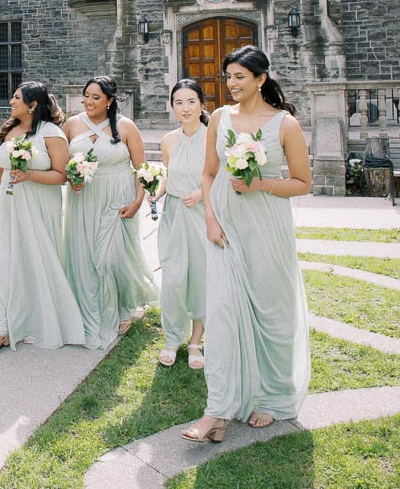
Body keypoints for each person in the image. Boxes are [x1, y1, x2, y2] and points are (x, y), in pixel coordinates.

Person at [182, 45, 312, 444]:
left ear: (261, 79)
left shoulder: (285, 124)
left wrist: (261, 184)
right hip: (224, 227)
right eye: (228, 77)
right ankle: (218, 411)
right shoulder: (219, 118)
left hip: (267, 226)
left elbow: (302, 183)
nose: (232, 84)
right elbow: (208, 173)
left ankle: (272, 397)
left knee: (271, 311)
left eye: (240, 76)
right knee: (221, 314)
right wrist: (210, 218)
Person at [0, 81, 84, 353]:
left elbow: (61, 175)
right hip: (8, 206)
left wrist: (29, 175)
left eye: (16, 98)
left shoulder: (51, 134)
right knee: (4, 261)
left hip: (40, 207)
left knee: (35, 261)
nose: (11, 102)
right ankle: (2, 326)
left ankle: (36, 319)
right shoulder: (9, 130)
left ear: (33, 104)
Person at [63, 75, 157, 349]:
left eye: (95, 97)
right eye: (86, 96)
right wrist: (72, 179)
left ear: (110, 101)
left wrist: (138, 201)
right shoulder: (71, 125)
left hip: (118, 197)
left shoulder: (126, 127)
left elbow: (142, 168)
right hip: (84, 198)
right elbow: (61, 164)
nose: (89, 101)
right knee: (85, 256)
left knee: (112, 258)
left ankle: (121, 307)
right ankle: (87, 308)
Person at [155, 79, 210, 368]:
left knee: (201, 276)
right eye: (179, 102)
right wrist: (157, 189)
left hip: (202, 214)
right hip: (174, 214)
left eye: (191, 101)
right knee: (174, 279)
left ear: (202, 104)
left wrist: (202, 193)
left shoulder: (213, 137)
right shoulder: (168, 140)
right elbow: (168, 174)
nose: (185, 108)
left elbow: (221, 178)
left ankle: (196, 340)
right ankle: (171, 337)